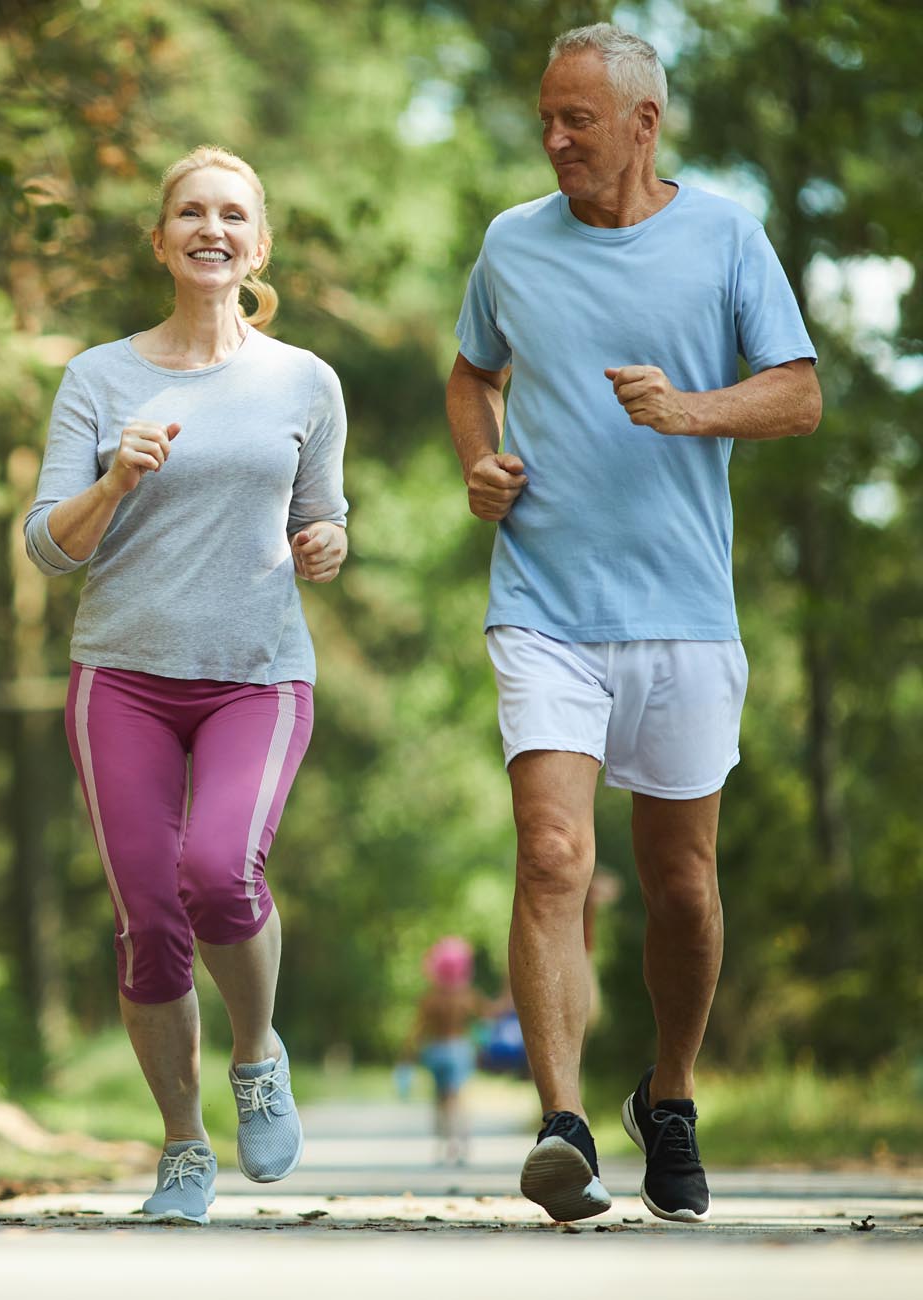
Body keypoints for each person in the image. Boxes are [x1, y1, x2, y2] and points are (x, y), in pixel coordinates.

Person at [447, 23, 820, 1224]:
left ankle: (668, 1095)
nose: (553, 139)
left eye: (577, 120)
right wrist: (481, 463)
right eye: (545, 118)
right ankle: (560, 1125)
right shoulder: (511, 242)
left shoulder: (723, 235)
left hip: (684, 613)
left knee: (683, 886)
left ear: (645, 123)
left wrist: (691, 408)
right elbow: (471, 373)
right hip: (545, 601)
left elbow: (801, 394)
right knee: (554, 854)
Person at [24, 144, 350, 1225]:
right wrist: (116, 478)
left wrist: (326, 544)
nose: (212, 229)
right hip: (120, 676)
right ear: (160, 238)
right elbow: (46, 546)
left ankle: (256, 1053)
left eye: (233, 215)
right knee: (149, 920)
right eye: (191, 212)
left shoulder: (305, 380)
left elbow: (321, 512)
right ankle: (182, 1144)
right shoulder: (98, 377)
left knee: (218, 871)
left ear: (258, 243)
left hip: (258, 676)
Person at [398, 936, 493, 1166]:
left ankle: (442, 1145)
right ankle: (461, 1143)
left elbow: (418, 1030)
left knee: (439, 1099)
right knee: (457, 1098)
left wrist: (407, 1056)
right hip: (459, 1050)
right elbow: (486, 1016)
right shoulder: (466, 996)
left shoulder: (430, 998)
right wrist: (482, 1043)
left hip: (436, 1051)